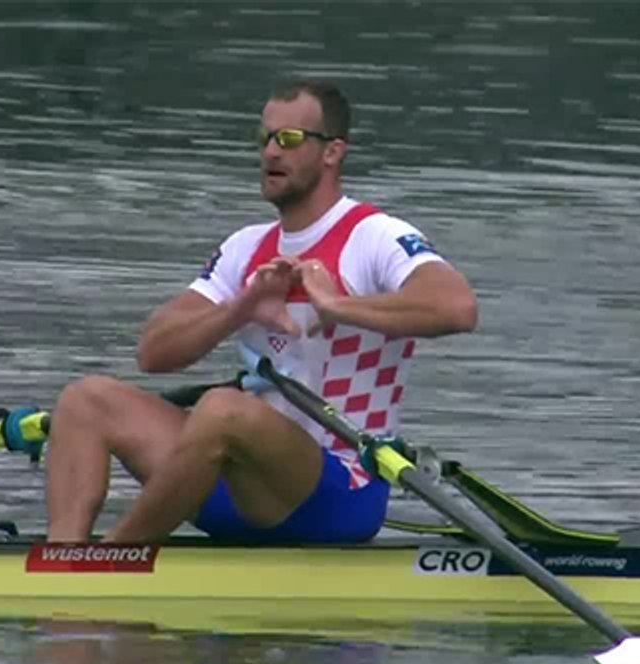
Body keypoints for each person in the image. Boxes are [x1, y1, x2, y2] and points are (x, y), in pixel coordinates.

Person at [43, 79, 478, 544]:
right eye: (265, 138)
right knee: (86, 400)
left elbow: (457, 308)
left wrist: (337, 305)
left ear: (332, 152)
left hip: (338, 491)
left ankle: (116, 554)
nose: (271, 152)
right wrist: (241, 307)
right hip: (242, 487)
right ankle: (62, 557)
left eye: (289, 140)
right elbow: (154, 353)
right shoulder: (245, 247)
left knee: (223, 410)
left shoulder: (374, 237)